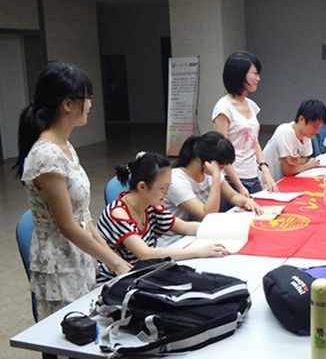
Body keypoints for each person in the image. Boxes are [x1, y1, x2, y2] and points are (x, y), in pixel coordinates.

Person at [14, 61, 132, 319]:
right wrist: (114, 262)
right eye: (87, 98)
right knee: (73, 329)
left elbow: (82, 215)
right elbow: (67, 225)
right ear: (67, 104)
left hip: (79, 257)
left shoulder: (65, 147)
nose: (90, 105)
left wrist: (110, 255)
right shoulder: (46, 155)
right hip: (60, 266)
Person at [96, 152, 229, 282]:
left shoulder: (150, 206)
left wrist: (224, 227)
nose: (166, 193)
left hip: (144, 272)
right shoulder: (118, 213)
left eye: (168, 187)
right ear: (142, 186)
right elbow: (145, 253)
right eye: (163, 188)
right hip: (116, 281)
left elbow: (184, 227)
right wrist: (199, 251)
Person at [212, 51, 277, 198]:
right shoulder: (223, 107)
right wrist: (240, 186)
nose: (258, 78)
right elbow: (221, 151)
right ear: (240, 74)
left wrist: (264, 168)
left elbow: (254, 141)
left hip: (252, 176)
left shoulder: (251, 105)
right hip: (232, 180)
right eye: (254, 73)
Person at [164, 132, 263, 221]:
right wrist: (216, 177)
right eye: (220, 165)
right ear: (205, 161)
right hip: (179, 235)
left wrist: (246, 201)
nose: (222, 168)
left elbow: (232, 196)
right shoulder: (176, 180)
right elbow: (207, 215)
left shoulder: (209, 173)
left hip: (201, 230)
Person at [262, 99, 326, 181]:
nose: (317, 131)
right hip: (268, 182)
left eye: (319, 128)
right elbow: (288, 171)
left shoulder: (306, 135)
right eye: (314, 127)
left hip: (283, 180)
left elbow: (305, 159)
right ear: (301, 119)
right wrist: (309, 165)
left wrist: (300, 162)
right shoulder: (286, 132)